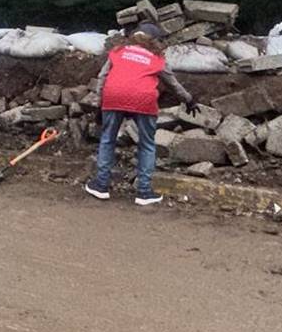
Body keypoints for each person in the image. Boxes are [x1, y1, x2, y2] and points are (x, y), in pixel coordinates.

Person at [85, 22, 198, 205]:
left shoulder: (118, 51)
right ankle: (144, 192)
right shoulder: (156, 59)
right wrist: (189, 100)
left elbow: (103, 76)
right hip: (143, 99)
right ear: (155, 41)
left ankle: (101, 185)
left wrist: (99, 103)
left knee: (107, 139)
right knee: (146, 144)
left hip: (114, 96)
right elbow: (172, 83)